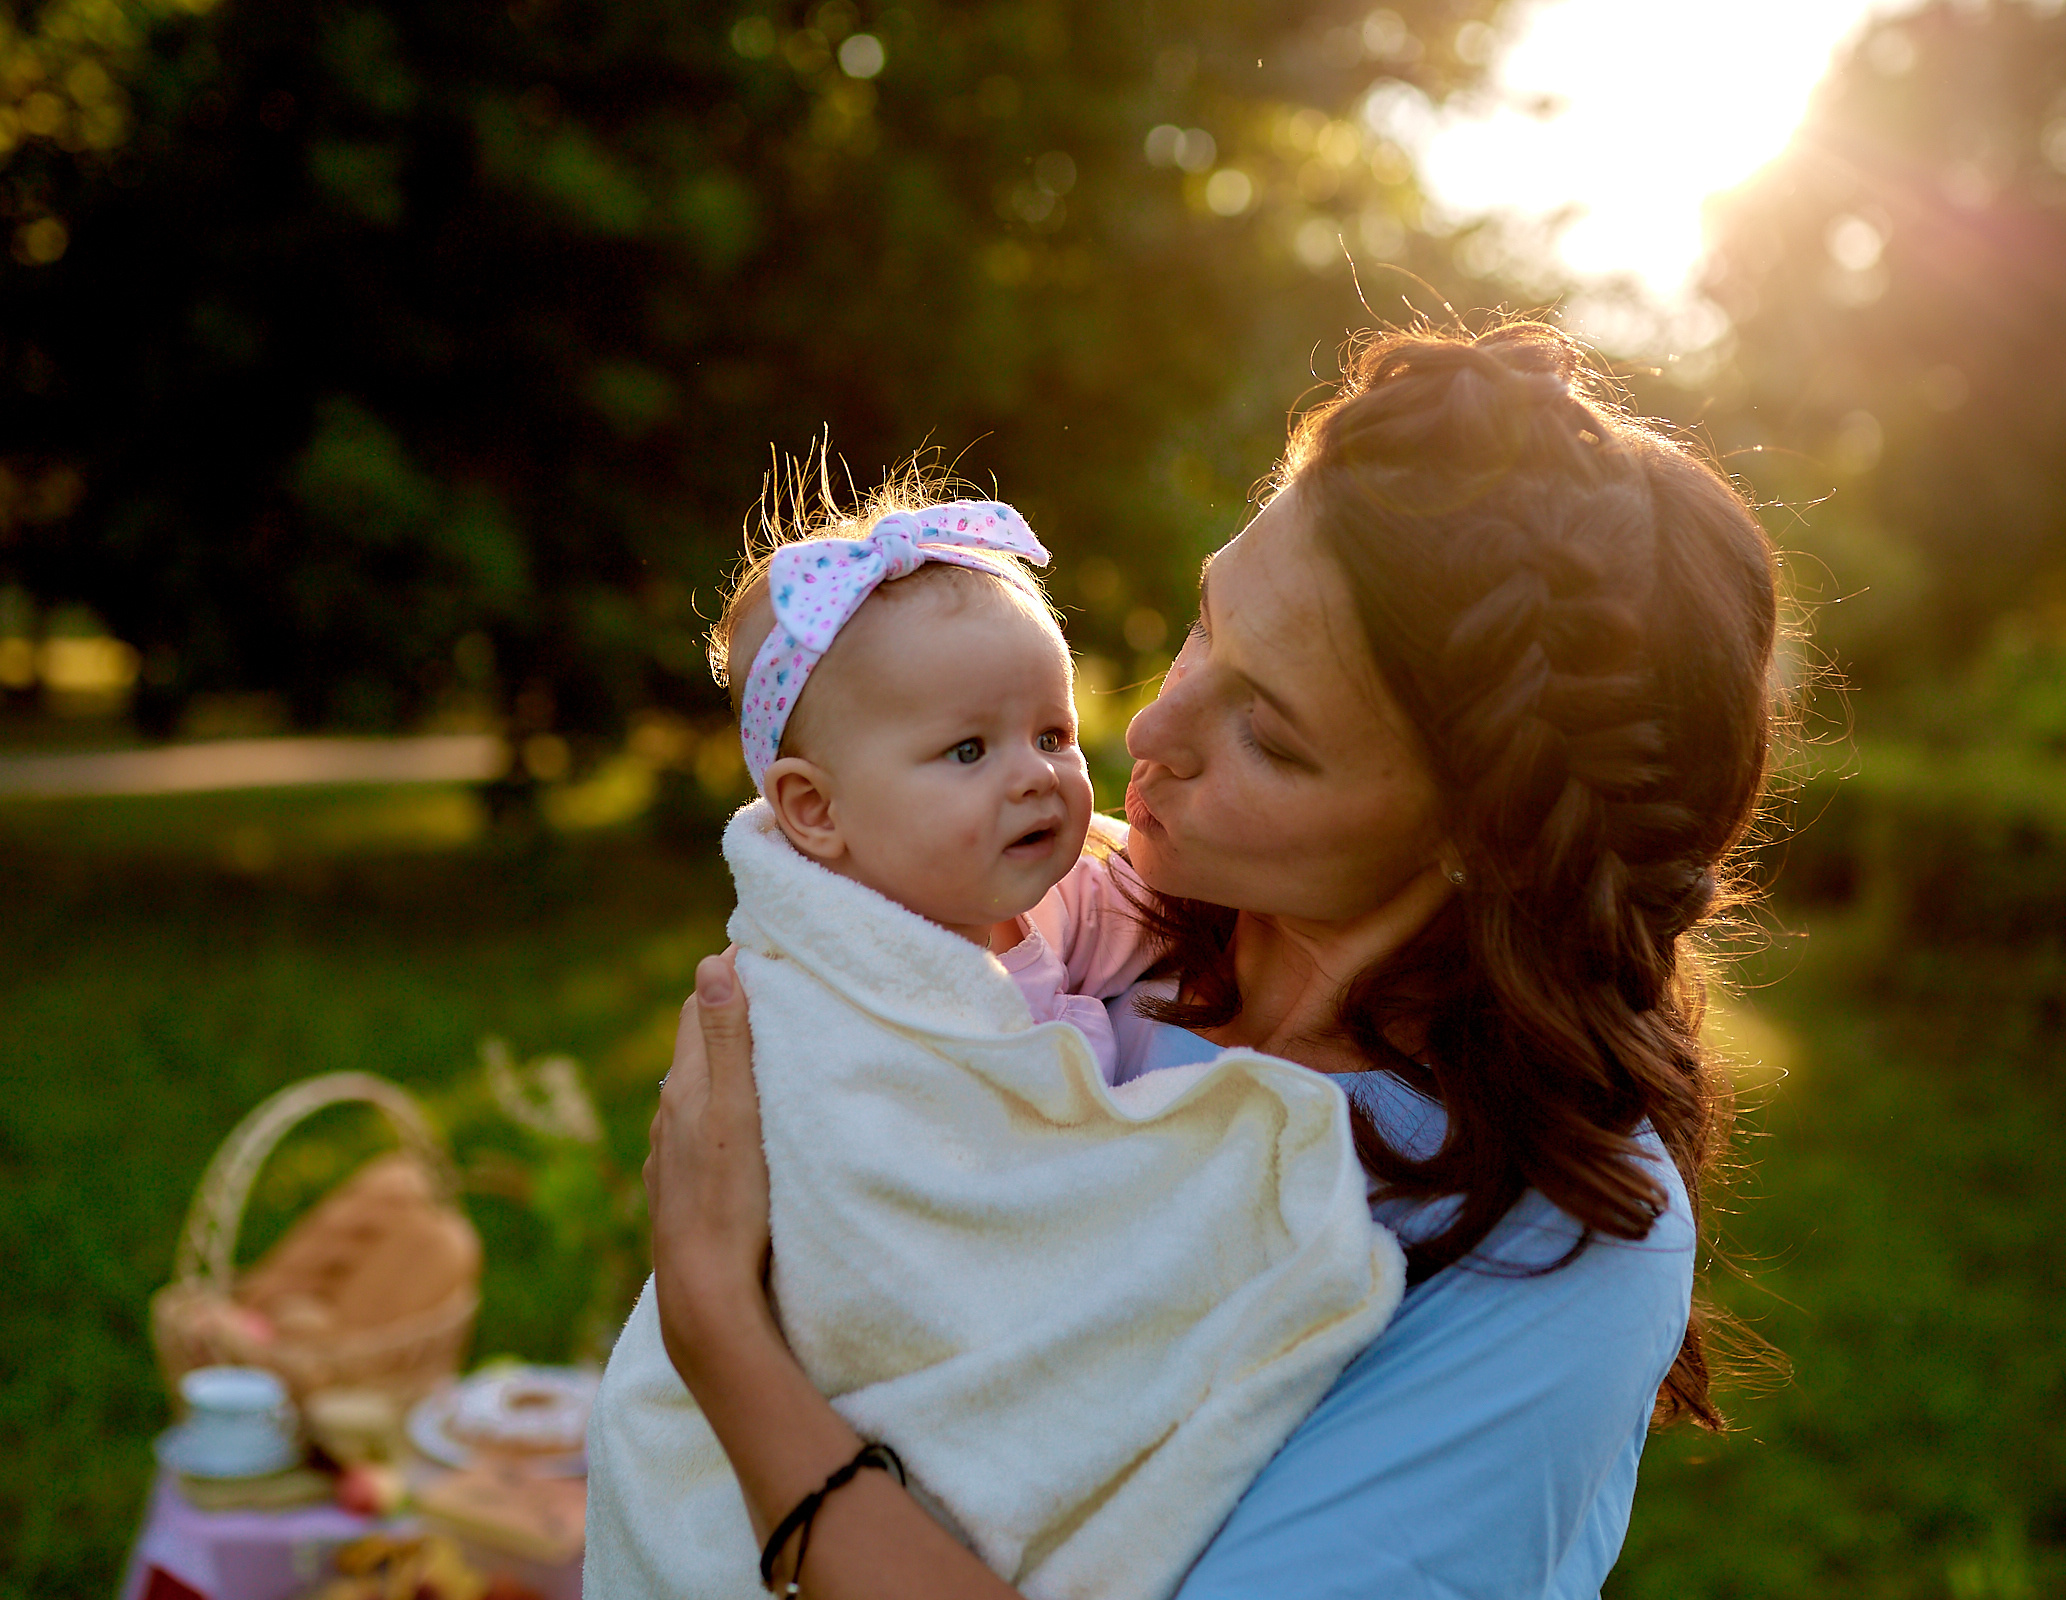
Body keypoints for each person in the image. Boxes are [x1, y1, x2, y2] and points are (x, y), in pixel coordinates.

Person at [646, 321, 1781, 1599]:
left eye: (1275, 739)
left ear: (1481, 833)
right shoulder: (1072, 924)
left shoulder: (1549, 1245)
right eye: (1204, 624)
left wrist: (724, 1342)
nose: (1151, 729)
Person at [587, 492, 1403, 1600]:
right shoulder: (826, 992)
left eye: (1053, 733)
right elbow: (868, 1209)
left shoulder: (1052, 902)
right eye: (968, 748)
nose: (1036, 775)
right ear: (814, 815)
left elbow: (1134, 918)